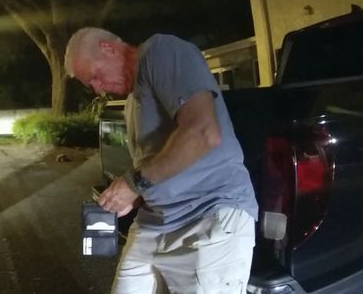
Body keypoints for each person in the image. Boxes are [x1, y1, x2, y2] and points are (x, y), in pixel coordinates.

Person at [65, 28, 258, 294]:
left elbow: (203, 132)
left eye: (95, 76)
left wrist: (133, 183)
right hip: (153, 225)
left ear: (108, 48)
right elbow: (157, 167)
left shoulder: (160, 51)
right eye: (90, 85)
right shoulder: (132, 103)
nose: (98, 89)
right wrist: (133, 196)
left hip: (207, 217)